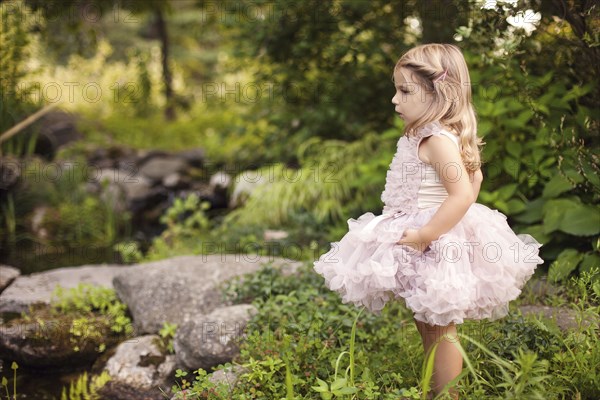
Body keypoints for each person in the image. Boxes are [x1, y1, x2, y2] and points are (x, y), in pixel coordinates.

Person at [313, 43, 543, 399]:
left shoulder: (437, 140)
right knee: (428, 321)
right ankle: (432, 388)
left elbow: (464, 193)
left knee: (441, 327)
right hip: (424, 230)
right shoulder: (428, 136)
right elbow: (476, 179)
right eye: (396, 89)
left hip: (434, 238)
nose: (394, 99)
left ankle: (445, 395)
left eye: (404, 90)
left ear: (440, 94)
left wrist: (426, 233)